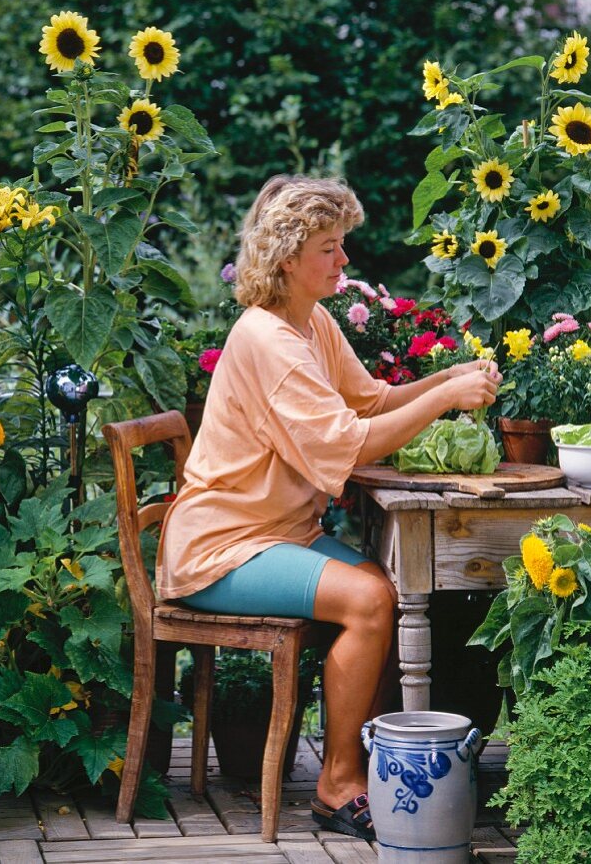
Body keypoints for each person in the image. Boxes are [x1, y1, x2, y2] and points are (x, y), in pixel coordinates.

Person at [156, 175, 501, 840]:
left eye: (342, 246)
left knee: (392, 590)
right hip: (221, 546)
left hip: (276, 531)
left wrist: (448, 377)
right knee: (369, 600)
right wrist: (443, 400)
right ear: (288, 257)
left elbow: (368, 400)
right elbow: (350, 444)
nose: (344, 261)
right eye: (329, 248)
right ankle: (338, 786)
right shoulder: (271, 342)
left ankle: (366, 767)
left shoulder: (308, 322)